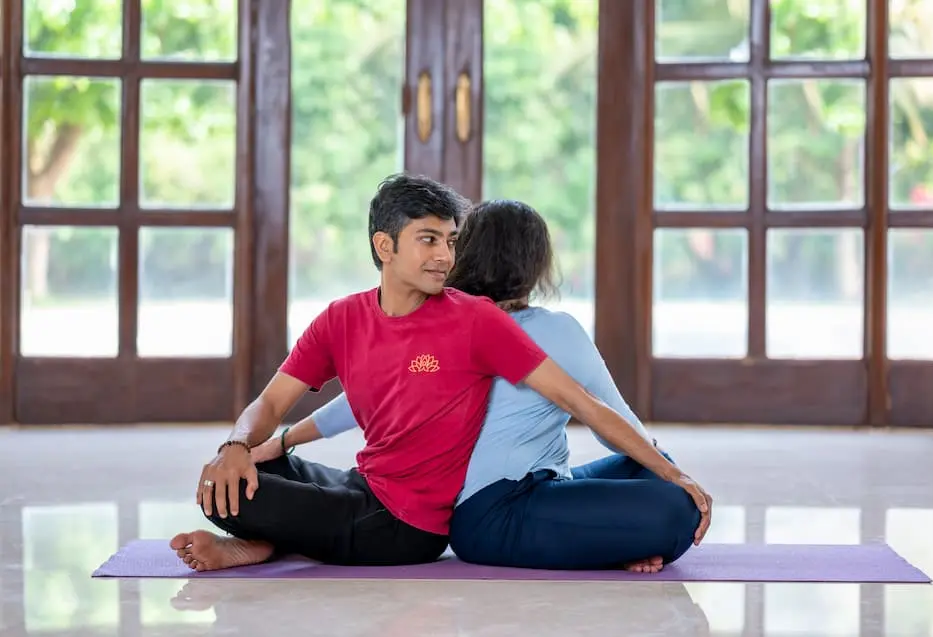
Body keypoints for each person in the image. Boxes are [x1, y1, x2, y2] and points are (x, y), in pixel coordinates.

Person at [170, 175, 710, 572]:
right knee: (228, 481)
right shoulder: (356, 318)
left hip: (425, 521)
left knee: (661, 480)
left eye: (451, 241)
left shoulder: (473, 319)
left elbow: (587, 407)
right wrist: (243, 444)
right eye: (430, 240)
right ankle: (268, 541)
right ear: (386, 246)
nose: (444, 256)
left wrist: (671, 473)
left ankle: (269, 542)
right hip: (413, 495)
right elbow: (312, 401)